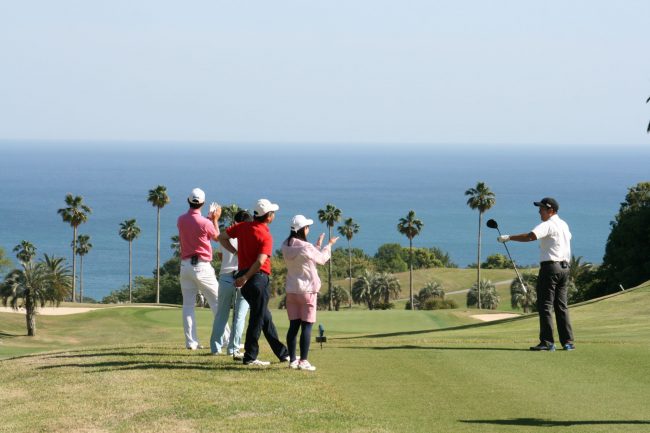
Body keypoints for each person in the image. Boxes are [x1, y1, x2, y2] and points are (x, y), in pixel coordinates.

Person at [497, 197, 575, 351]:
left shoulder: (548, 224)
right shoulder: (564, 224)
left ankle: (547, 342)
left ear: (550, 210)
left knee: (545, 305)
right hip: (565, 269)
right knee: (561, 306)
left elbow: (530, 236)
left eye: (542, 209)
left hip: (551, 268)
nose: (539, 211)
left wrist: (509, 238)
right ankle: (568, 342)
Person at [218, 198, 290, 366]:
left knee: (265, 317)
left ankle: (283, 354)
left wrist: (235, 252)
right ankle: (250, 356)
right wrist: (246, 277)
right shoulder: (265, 235)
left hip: (245, 277)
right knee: (257, 319)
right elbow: (260, 261)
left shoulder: (242, 227)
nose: (274, 215)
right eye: (273, 213)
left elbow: (221, 237)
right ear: (268, 216)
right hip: (257, 279)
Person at [282, 215, 338, 371]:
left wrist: (317, 245)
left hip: (292, 290)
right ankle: (304, 361)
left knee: (293, 326)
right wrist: (329, 245)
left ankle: (293, 360)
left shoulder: (286, 245)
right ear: (302, 229)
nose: (308, 229)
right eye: (307, 227)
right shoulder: (306, 247)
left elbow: (306, 257)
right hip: (307, 291)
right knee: (307, 325)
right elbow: (322, 259)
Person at [177, 188, 230, 350]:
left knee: (188, 306)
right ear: (203, 203)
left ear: (188, 201)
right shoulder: (206, 223)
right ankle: (227, 340)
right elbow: (217, 238)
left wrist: (209, 219)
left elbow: (196, 226)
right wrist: (215, 219)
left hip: (185, 266)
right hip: (202, 267)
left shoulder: (181, 219)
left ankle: (191, 343)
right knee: (217, 303)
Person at [210, 210, 252, 358]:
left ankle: (215, 348)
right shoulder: (248, 236)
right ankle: (233, 349)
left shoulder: (226, 235)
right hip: (243, 277)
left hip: (225, 277)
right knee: (239, 316)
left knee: (221, 314)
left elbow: (221, 256)